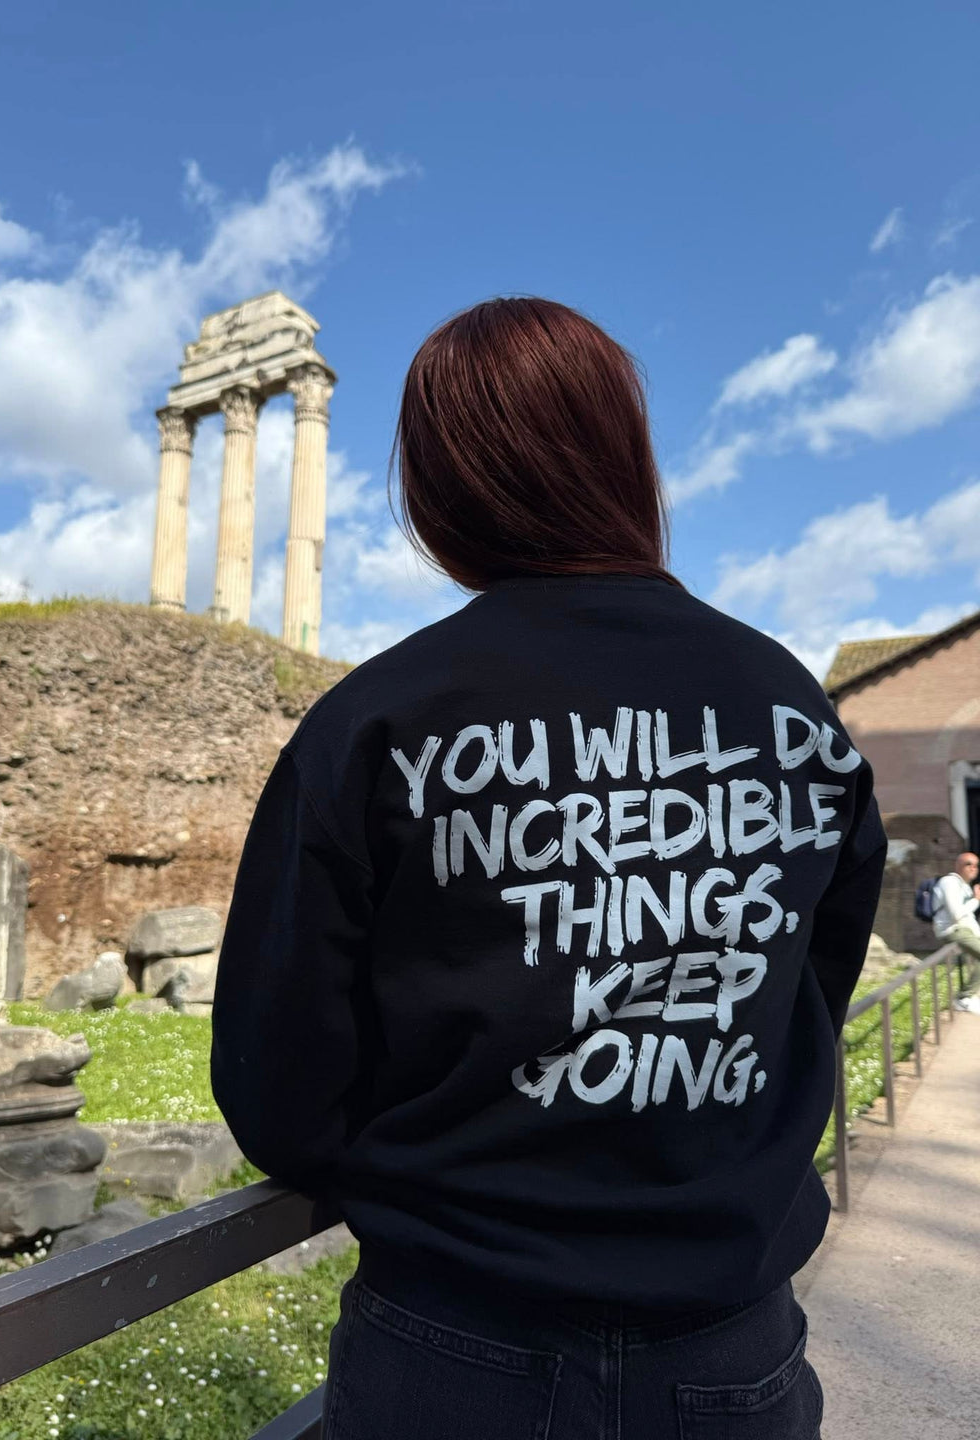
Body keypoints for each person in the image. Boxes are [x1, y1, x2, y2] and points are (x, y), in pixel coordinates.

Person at [210, 297, 887, 1439]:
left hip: (451, 1344)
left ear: (441, 489)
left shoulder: (376, 721)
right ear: (627, 460)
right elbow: (806, 995)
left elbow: (278, 1080)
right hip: (730, 1352)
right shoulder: (791, 711)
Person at [932, 852, 980, 1014]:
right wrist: (976, 900)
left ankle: (969, 996)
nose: (973, 868)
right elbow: (957, 914)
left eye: (976, 865)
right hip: (952, 930)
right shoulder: (949, 882)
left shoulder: (964, 886)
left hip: (963, 930)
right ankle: (964, 998)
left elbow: (968, 918)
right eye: (968, 864)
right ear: (957, 865)